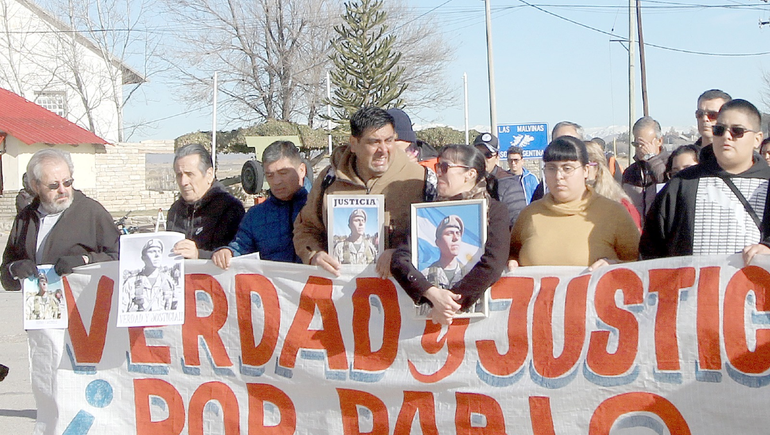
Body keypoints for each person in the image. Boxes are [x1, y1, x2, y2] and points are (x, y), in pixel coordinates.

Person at [293, 106, 435, 277]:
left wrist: (402, 254)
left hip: (401, 294)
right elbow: (306, 228)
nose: (383, 150)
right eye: (374, 142)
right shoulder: (330, 179)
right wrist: (314, 254)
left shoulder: (422, 180)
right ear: (354, 143)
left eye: (389, 140)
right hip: (344, 293)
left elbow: (437, 239)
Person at [640, 99, 770, 264]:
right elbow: (651, 249)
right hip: (692, 287)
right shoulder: (683, 183)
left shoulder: (767, 183)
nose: (726, 136)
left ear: (757, 139)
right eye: (719, 130)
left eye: (737, 131)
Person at [391, 145, 510, 325]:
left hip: (476, 322)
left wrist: (451, 304)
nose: (438, 173)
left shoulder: (494, 211)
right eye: (437, 167)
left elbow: (493, 262)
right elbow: (400, 258)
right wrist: (431, 295)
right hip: (429, 317)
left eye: (445, 167)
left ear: (470, 174)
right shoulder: (425, 212)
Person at [510, 136, 640, 269]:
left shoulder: (614, 213)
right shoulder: (529, 215)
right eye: (551, 168)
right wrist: (511, 264)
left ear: (585, 170)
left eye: (567, 168)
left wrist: (616, 266)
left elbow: (641, 265)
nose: (558, 176)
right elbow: (510, 255)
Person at [1, 149, 119, 291]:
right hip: (41, 307)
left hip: (83, 307)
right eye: (53, 185)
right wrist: (15, 269)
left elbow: (120, 256)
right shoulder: (25, 218)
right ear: (35, 185)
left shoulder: (92, 212)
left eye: (67, 182)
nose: (63, 190)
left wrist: (86, 260)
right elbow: (6, 276)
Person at [212, 141, 308, 269]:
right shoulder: (255, 216)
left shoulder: (322, 207)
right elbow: (240, 247)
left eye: (283, 173)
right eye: (270, 175)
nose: (276, 181)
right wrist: (227, 253)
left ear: (301, 170)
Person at [166, 144, 245, 259]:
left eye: (189, 174)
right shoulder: (175, 211)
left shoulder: (229, 209)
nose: (183, 182)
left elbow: (234, 258)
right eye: (179, 175)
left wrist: (198, 255)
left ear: (209, 175)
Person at [585, 141, 641, 230]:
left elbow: (634, 241)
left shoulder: (621, 207)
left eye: (584, 166)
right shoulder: (559, 204)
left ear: (597, 168)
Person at [622, 116, 668, 220]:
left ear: (659, 141)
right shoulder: (630, 172)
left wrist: (652, 159)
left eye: (645, 144)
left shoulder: (670, 165)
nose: (641, 149)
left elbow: (666, 184)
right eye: (637, 144)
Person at [122, 239, 176, 312]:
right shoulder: (131, 283)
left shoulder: (168, 282)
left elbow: (176, 309)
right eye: (152, 251)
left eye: (159, 251)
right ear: (143, 258)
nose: (157, 255)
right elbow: (122, 310)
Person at [420, 215, 468, 289]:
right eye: (449, 233)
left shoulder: (469, 276)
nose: (455, 238)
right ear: (438, 242)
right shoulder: (425, 277)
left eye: (458, 233)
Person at [497, 145, 539, 226]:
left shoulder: (531, 178)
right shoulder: (503, 179)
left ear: (522, 161)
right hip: (511, 220)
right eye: (510, 160)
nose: (513, 163)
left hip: (530, 218)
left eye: (516, 160)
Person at [694, 89, 731, 160]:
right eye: (700, 114)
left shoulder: (739, 159)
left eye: (712, 115)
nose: (705, 119)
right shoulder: (687, 158)